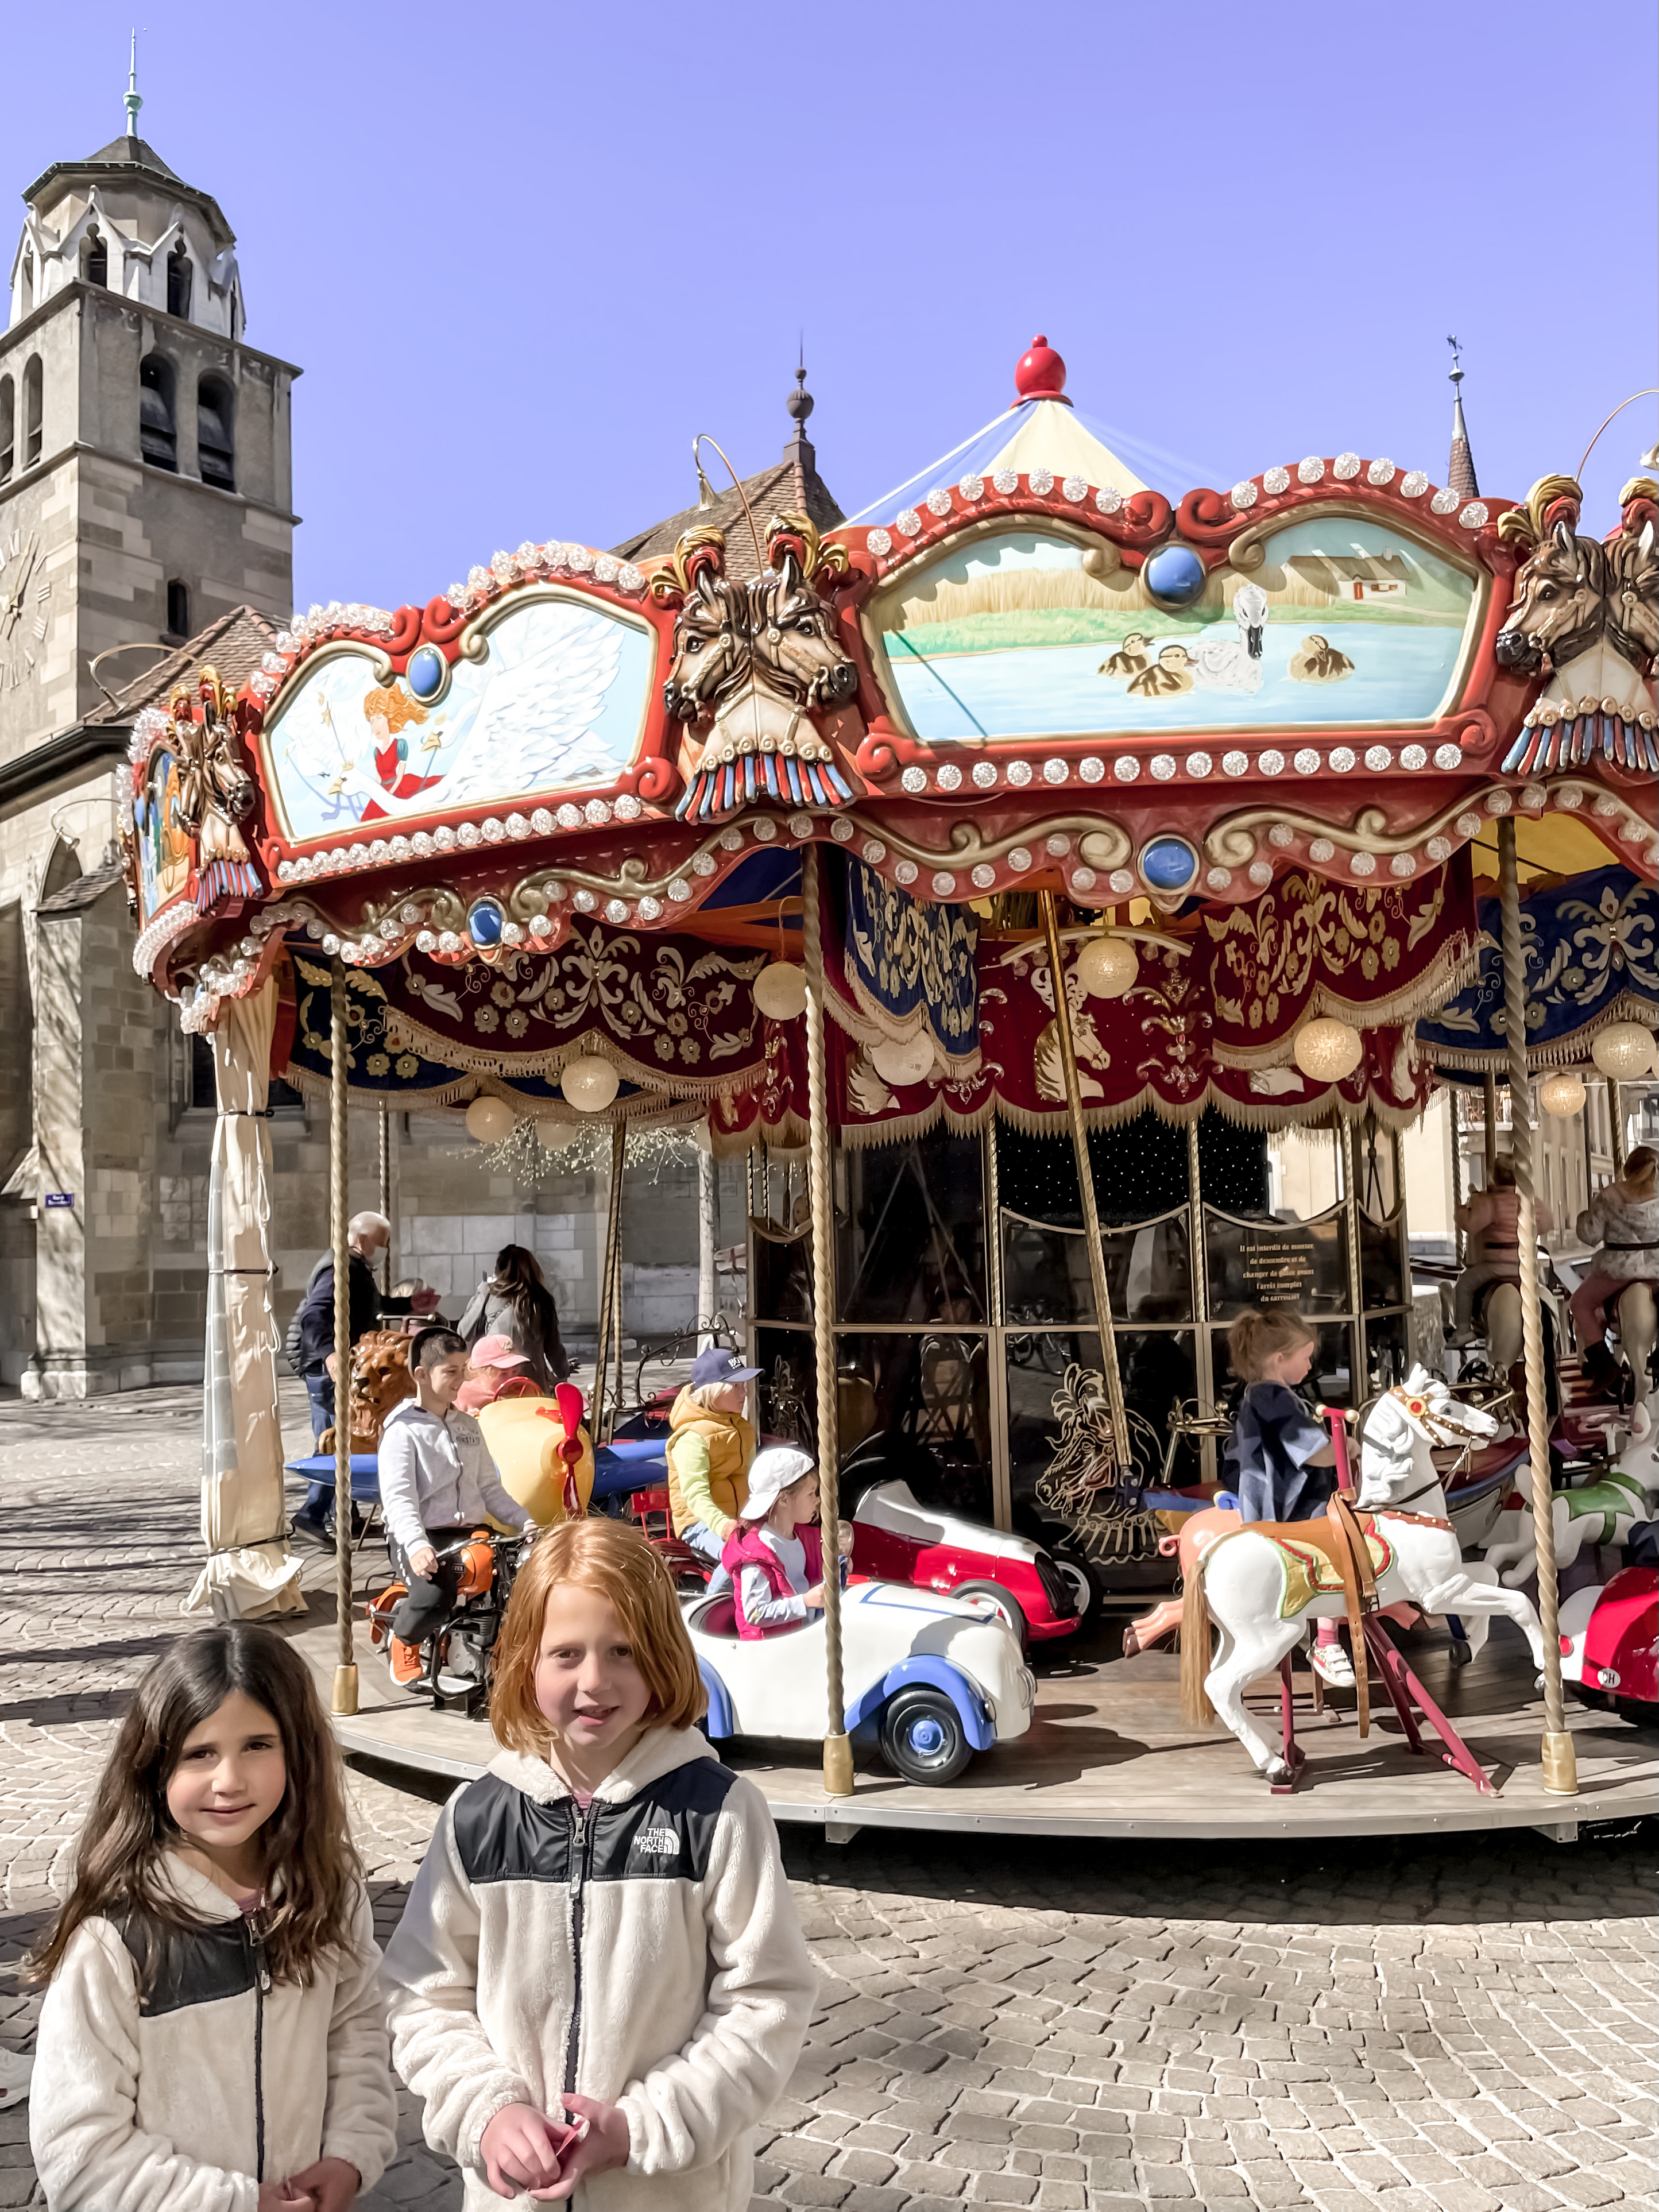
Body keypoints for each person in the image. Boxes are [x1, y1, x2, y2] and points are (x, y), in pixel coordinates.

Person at [380, 1517, 817, 2209]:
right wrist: (487, 2111)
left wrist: (642, 2127)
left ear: (662, 1656)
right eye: (567, 1654)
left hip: (669, 2195)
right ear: (524, 1660)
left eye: (622, 1651)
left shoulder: (720, 1813)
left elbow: (767, 1999)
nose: (595, 1681)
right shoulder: (476, 1819)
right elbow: (423, 1995)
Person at [27, 1622, 397, 2212]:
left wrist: (351, 2153)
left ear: (296, 1749)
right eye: (199, 1754)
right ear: (153, 1767)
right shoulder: (117, 1937)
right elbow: (80, 2149)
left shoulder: (326, 1892)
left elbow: (355, 2033)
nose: (229, 1780)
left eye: (258, 1745)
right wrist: (235, 2203)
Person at [378, 1328, 535, 1691]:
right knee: (436, 1596)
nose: (461, 1379)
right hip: (422, 1534)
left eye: (464, 1369)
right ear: (421, 1375)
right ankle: (405, 1637)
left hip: (472, 1531)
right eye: (450, 1371)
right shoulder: (402, 1432)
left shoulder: (468, 1426)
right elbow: (400, 1499)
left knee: (525, 1577)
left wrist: (524, 1520)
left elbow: (489, 1488)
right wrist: (417, 1545)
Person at [1220, 1307, 1352, 1688]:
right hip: (1287, 1507)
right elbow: (1313, 1453)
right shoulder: (1273, 1397)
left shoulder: (1262, 1395)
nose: (1310, 1365)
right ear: (1280, 1359)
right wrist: (1350, 1447)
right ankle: (1325, 1642)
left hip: (1281, 1500)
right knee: (1339, 1552)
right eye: (1305, 1357)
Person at [293, 1211, 438, 1542]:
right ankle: (312, 1513)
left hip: (340, 1366)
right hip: (332, 1368)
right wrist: (329, 1354)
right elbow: (315, 1315)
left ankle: (345, 1516)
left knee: (342, 1437)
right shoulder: (339, 1267)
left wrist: (409, 1305)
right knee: (342, 1439)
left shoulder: (355, 1268)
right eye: (381, 1244)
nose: (383, 1251)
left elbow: (365, 1306)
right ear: (362, 1240)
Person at [721, 1447, 852, 1639]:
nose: (818, 1501)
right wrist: (805, 1602)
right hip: (771, 1647)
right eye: (811, 1494)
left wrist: (838, 1566)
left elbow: (811, 1575)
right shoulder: (757, 1556)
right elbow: (755, 1613)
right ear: (784, 1500)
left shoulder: (803, 1536)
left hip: (802, 1634)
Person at [665, 1346, 761, 1579]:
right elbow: (696, 1495)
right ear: (714, 1391)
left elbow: (752, 1477)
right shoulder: (691, 1438)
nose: (744, 1393)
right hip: (700, 1522)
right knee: (738, 1558)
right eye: (736, 1387)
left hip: (738, 1518)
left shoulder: (742, 1428)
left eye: (744, 1386)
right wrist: (722, 1525)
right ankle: (709, 1612)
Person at [1448, 1156, 1554, 1345]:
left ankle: (1463, 1331)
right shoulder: (1530, 1202)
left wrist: (1464, 1210)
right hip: (1525, 1265)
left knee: (1464, 1285)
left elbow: (1471, 1225)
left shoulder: (1492, 1202)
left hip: (1497, 1265)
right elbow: (1547, 1223)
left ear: (1494, 1178)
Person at [1571, 1144, 1659, 1354]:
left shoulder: (1610, 1196)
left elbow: (1591, 1235)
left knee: (1580, 1304)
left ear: (1628, 1169)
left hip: (1618, 1270)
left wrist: (1582, 1218)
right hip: (1657, 1267)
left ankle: (1602, 1361)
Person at [458, 1243, 570, 1389]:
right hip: (531, 1383)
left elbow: (463, 1332)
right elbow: (554, 1349)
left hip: (493, 1380)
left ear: (498, 1270)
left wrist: (481, 1294)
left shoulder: (489, 1295)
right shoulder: (542, 1300)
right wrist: (563, 1373)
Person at [455, 1332, 539, 1412]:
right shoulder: (466, 1394)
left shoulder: (526, 1389)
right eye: (504, 1374)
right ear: (482, 1372)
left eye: (515, 1371)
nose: (511, 1378)